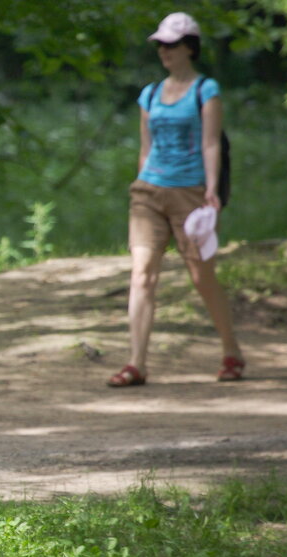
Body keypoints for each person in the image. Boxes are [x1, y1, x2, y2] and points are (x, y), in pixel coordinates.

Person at [108, 11, 245, 387]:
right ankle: (137, 363)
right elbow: (144, 147)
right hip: (149, 191)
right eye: (160, 45)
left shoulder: (206, 90)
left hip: (190, 193)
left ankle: (231, 350)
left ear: (189, 48)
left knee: (201, 276)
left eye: (171, 44)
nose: (164, 51)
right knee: (141, 275)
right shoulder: (149, 94)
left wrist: (211, 190)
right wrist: (141, 182)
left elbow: (211, 142)